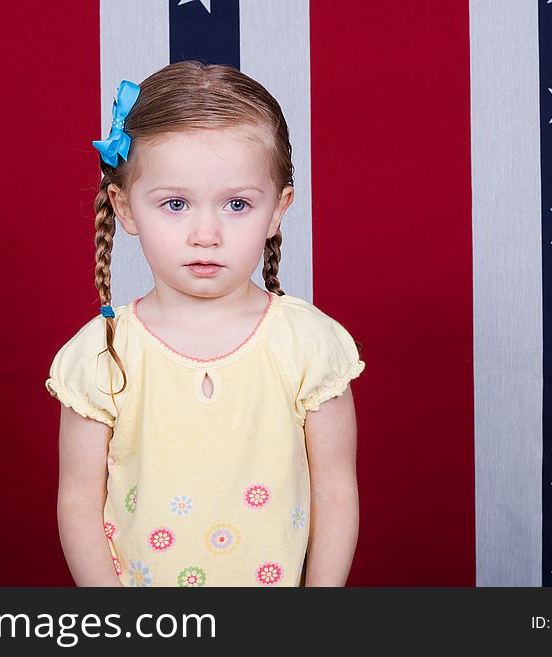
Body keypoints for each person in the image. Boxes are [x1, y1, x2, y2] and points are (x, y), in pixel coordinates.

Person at [45, 61, 365, 587]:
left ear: (278, 210)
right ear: (125, 208)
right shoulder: (103, 351)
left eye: (237, 204)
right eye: (175, 204)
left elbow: (335, 490)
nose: (206, 233)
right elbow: (78, 501)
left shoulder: (308, 343)